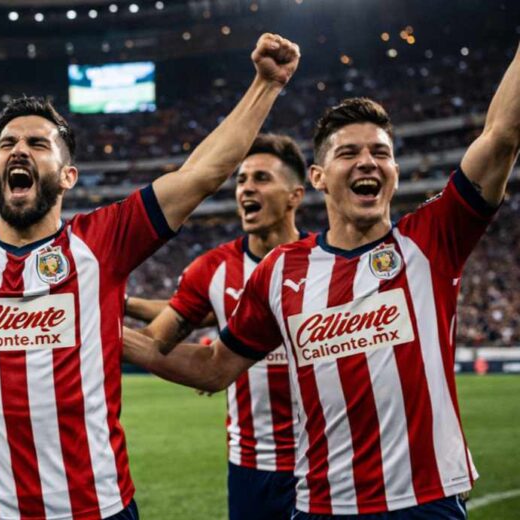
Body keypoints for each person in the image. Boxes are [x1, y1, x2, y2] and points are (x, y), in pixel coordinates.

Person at [0, 27, 300, 519]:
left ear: (68, 176)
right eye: (7, 143)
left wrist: (266, 84)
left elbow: (200, 174)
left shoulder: (102, 241)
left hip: (95, 509)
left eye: (37, 143)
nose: (19, 150)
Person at [125, 41, 520, 518]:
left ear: (395, 171)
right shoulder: (279, 271)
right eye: (348, 152)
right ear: (317, 177)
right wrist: (108, 333)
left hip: (425, 500)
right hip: (322, 505)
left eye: (380, 153)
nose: (367, 162)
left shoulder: (431, 241)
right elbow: (214, 367)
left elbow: (501, 135)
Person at [124, 134, 307, 519]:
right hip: (251, 464)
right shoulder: (212, 269)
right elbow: (158, 338)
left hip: (323, 457)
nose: (246, 188)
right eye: (241, 180)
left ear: (295, 196)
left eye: (261, 178)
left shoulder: (326, 263)